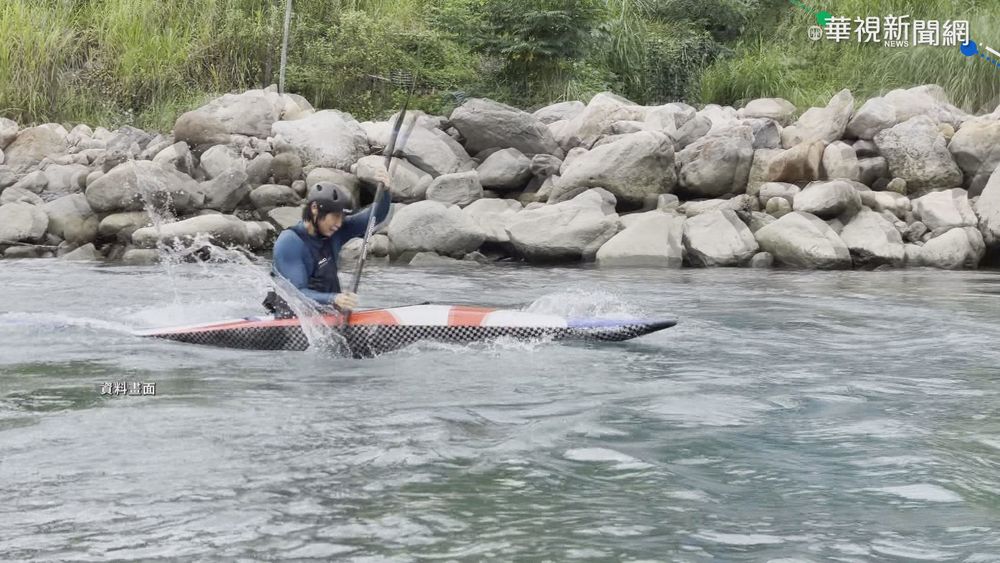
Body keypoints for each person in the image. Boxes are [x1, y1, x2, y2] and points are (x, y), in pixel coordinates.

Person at [262, 169, 392, 318]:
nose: (339, 223)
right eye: (336, 216)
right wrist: (333, 298)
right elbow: (297, 294)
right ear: (315, 208)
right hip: (292, 320)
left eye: (342, 217)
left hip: (327, 315)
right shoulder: (290, 242)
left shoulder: (336, 231)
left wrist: (386, 191)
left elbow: (374, 217)